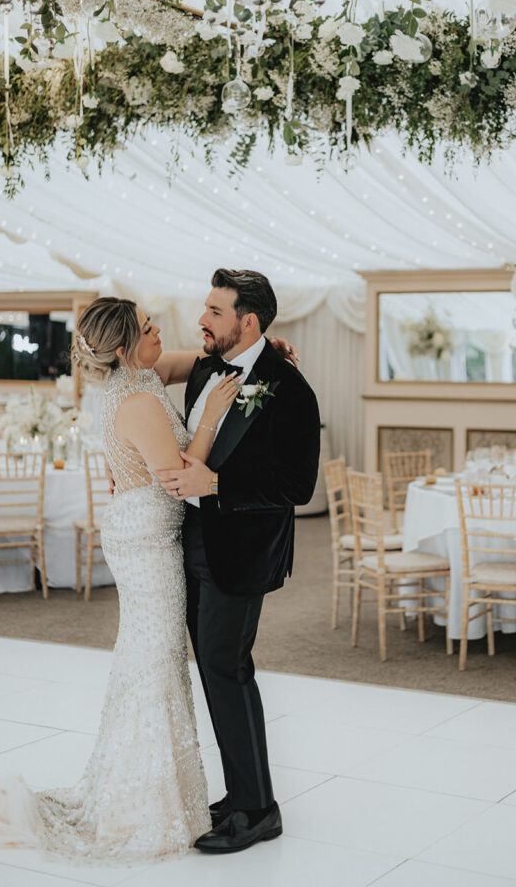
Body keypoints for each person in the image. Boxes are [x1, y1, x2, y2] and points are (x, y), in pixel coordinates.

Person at [0, 296, 297, 864]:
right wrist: (214, 416)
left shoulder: (137, 376)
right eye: (148, 329)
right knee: (154, 657)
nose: (160, 333)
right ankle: (141, 800)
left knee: (152, 658)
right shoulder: (140, 398)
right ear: (123, 349)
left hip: (141, 530)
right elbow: (176, 478)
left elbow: (189, 363)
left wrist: (264, 352)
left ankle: (153, 790)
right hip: (147, 541)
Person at [157, 269, 320, 855]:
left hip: (242, 550)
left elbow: (297, 485)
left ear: (247, 321)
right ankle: (241, 793)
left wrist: (219, 483)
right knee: (215, 668)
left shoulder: (290, 386)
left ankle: (258, 810)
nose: (202, 319)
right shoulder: (205, 366)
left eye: (214, 311)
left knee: (228, 668)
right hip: (192, 539)